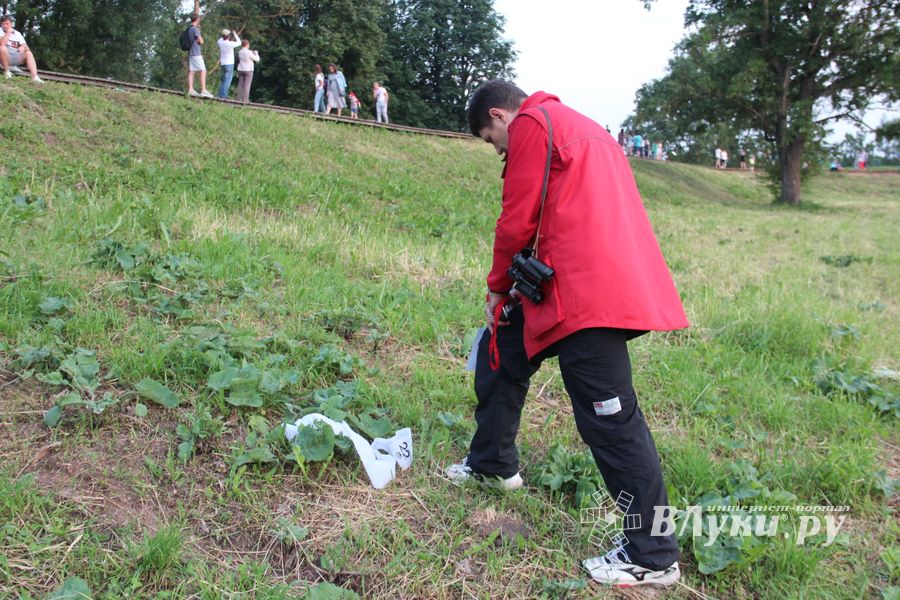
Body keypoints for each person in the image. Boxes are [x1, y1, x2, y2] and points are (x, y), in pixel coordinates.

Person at [446, 80, 687, 588]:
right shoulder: (588, 129)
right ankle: (492, 463)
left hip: (587, 295)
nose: (497, 150)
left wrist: (496, 286)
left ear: (500, 115)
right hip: (573, 282)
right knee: (499, 350)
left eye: (492, 139)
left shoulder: (534, 123)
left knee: (613, 422)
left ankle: (653, 553)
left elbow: (517, 216)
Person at [1, 15, 42, 83]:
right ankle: (7, 72)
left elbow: (27, 47)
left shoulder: (17, 34)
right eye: (3, 24)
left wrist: (23, 47)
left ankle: (35, 77)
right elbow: (2, 44)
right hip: (3, 56)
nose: (5, 26)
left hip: (15, 56)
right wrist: (8, 33)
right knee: (2, 48)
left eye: (7, 23)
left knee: (28, 53)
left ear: (11, 24)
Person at [185, 15, 212, 98]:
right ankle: (203, 90)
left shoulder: (188, 29)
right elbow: (201, 41)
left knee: (192, 71)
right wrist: (200, 40)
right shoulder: (195, 29)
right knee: (203, 70)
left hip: (190, 53)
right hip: (196, 53)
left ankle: (190, 89)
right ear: (198, 19)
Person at [216, 28, 241, 99]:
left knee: (223, 79)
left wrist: (225, 34)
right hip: (229, 63)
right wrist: (235, 34)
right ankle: (223, 95)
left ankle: (220, 94)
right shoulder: (230, 44)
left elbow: (221, 38)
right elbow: (239, 42)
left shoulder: (220, 42)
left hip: (223, 63)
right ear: (228, 36)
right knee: (227, 80)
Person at [236, 38, 259, 104]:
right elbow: (257, 59)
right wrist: (256, 53)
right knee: (247, 85)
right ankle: (245, 99)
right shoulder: (248, 52)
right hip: (249, 69)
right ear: (247, 45)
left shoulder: (240, 52)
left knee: (240, 84)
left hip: (241, 69)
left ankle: (238, 98)